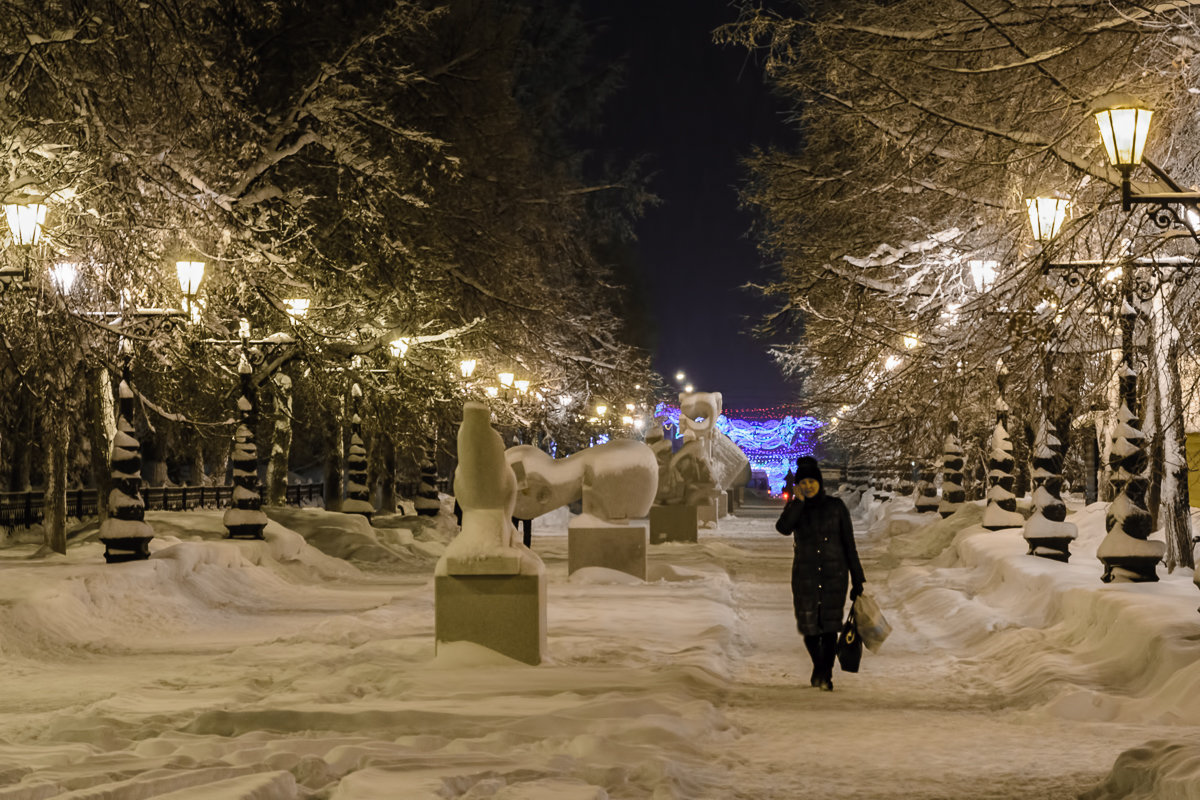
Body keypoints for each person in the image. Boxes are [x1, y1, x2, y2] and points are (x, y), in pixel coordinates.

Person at [775, 456, 866, 691]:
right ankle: (820, 668)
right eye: (803, 482)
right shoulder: (797, 508)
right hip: (804, 575)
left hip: (834, 575)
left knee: (829, 628)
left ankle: (825, 675)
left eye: (811, 482)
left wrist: (858, 579)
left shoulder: (836, 507)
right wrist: (798, 502)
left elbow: (849, 545)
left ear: (819, 482)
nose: (808, 486)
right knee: (809, 628)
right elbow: (783, 528)